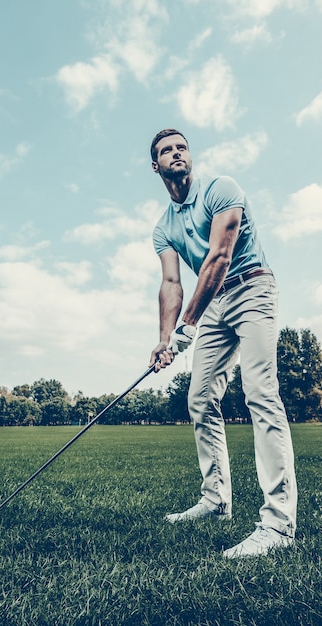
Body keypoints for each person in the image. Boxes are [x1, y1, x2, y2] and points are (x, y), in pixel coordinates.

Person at [148, 128, 297, 558]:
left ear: (189, 156)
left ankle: (278, 524)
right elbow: (172, 283)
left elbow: (219, 256)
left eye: (182, 147)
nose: (176, 153)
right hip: (212, 304)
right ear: (155, 166)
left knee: (260, 393)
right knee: (199, 399)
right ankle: (216, 502)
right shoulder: (164, 228)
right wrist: (164, 339)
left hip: (251, 288)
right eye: (166, 151)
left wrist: (186, 328)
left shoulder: (221, 189)